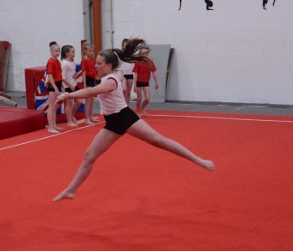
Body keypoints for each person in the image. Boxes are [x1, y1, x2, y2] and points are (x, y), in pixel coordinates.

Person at [52, 38, 214, 202]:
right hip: (112, 123)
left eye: (99, 63)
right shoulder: (116, 74)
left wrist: (67, 95)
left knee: (160, 141)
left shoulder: (111, 81)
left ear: (108, 66)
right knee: (89, 156)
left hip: (125, 118)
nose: (96, 66)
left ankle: (199, 160)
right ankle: (71, 190)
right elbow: (120, 73)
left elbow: (90, 92)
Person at [60, 44, 84, 127]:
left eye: (74, 51)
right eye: (72, 52)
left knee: (80, 101)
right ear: (67, 53)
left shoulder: (72, 61)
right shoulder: (64, 63)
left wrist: (75, 75)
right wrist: (70, 85)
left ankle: (71, 115)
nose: (74, 53)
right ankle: (69, 121)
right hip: (68, 85)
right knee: (69, 103)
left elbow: (71, 72)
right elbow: (62, 77)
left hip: (74, 83)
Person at [132, 45, 159, 115]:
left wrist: (156, 82)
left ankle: (142, 108)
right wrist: (134, 85)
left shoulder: (150, 62)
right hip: (138, 82)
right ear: (140, 54)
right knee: (139, 99)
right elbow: (135, 75)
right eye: (143, 53)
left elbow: (154, 73)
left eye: (146, 53)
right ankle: (138, 112)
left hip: (146, 82)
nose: (145, 55)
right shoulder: (137, 62)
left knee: (147, 99)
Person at [45, 41, 63, 133]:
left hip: (58, 83)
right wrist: (55, 88)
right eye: (56, 51)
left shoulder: (57, 61)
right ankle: (50, 127)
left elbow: (59, 74)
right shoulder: (51, 62)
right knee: (51, 106)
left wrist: (61, 86)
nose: (58, 53)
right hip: (53, 85)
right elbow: (50, 76)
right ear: (51, 52)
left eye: (59, 51)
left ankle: (54, 125)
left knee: (55, 106)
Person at [81, 42, 101, 125]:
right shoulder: (84, 60)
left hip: (92, 79)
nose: (92, 53)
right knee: (88, 100)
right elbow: (83, 72)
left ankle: (91, 116)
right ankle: (87, 118)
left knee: (92, 99)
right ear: (85, 51)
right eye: (90, 51)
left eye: (92, 51)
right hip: (87, 79)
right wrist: (84, 84)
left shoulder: (92, 60)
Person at [118, 38, 135, 106]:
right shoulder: (121, 54)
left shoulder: (132, 55)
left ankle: (127, 106)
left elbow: (133, 64)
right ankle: (122, 105)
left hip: (130, 74)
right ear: (123, 46)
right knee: (124, 89)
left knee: (128, 92)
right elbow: (118, 64)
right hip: (123, 74)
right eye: (125, 45)